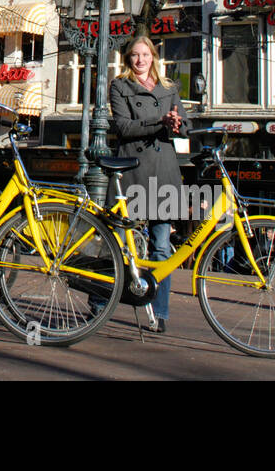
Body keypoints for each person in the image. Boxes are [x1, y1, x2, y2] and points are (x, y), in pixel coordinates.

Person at [109, 35, 189, 335]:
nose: (140, 60)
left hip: (164, 169)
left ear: (153, 57)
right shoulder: (119, 86)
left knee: (161, 246)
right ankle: (99, 300)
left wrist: (179, 125)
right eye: (134, 55)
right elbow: (124, 126)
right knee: (115, 241)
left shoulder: (169, 88)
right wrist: (160, 123)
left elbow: (185, 122)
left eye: (145, 54)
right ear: (128, 60)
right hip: (132, 168)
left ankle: (161, 310)